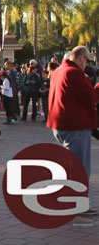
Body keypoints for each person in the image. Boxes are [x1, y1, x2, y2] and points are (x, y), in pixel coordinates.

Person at [47, 46, 99, 216]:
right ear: (82, 58)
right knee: (80, 168)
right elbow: (91, 97)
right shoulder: (74, 73)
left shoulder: (60, 70)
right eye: (87, 59)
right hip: (75, 126)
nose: (87, 64)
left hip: (61, 125)